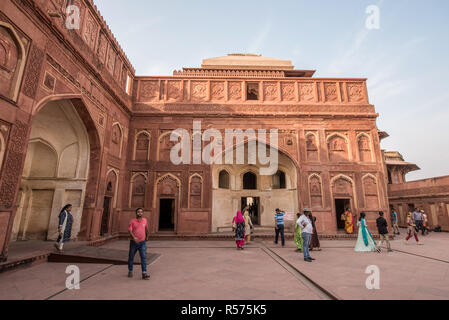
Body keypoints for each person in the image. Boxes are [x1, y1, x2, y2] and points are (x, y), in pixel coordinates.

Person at [128, 208, 150, 280]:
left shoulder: (145, 220)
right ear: (136, 213)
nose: (140, 213)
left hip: (142, 242)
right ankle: (130, 270)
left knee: (143, 257)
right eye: (138, 212)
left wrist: (147, 236)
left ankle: (144, 273)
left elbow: (146, 229)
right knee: (131, 257)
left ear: (142, 213)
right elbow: (130, 230)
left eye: (141, 212)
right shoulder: (132, 221)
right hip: (133, 242)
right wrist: (134, 237)